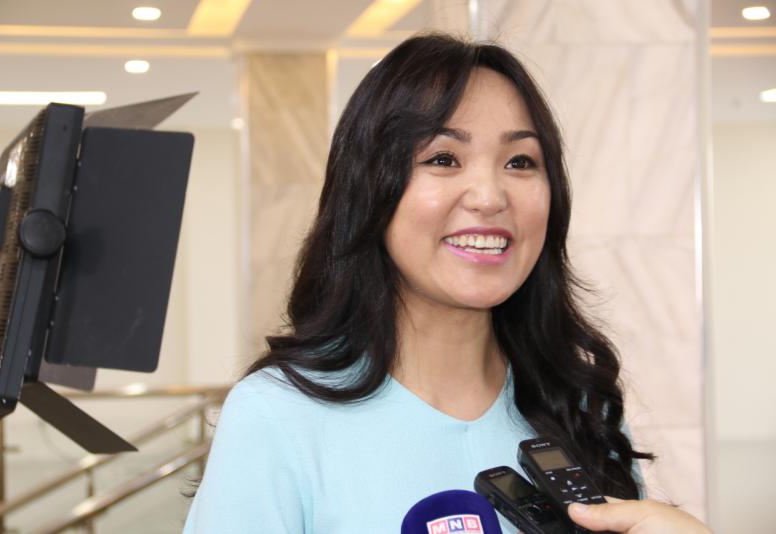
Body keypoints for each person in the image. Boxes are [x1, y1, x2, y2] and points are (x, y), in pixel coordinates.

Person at [183, 33, 710, 534]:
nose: (490, 196)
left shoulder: (580, 408)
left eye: (520, 162)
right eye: (443, 159)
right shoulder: (277, 416)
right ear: (370, 190)